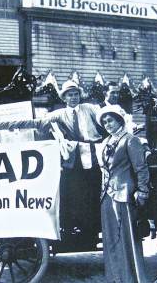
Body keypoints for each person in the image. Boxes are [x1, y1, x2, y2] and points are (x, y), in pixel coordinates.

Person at [34, 80, 104, 241]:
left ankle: (92, 229)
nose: (74, 98)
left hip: (92, 155)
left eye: (76, 94)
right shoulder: (60, 113)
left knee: (92, 191)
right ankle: (73, 228)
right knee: (73, 191)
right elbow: (42, 122)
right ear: (64, 98)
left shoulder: (89, 108)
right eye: (70, 95)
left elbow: (103, 116)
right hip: (72, 158)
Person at [97, 104, 149, 283]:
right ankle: (115, 279)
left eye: (110, 120)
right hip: (107, 196)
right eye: (104, 122)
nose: (107, 124)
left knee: (127, 240)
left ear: (119, 120)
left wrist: (142, 191)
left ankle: (133, 279)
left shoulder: (131, 140)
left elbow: (141, 168)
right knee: (111, 240)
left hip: (124, 194)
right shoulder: (105, 142)